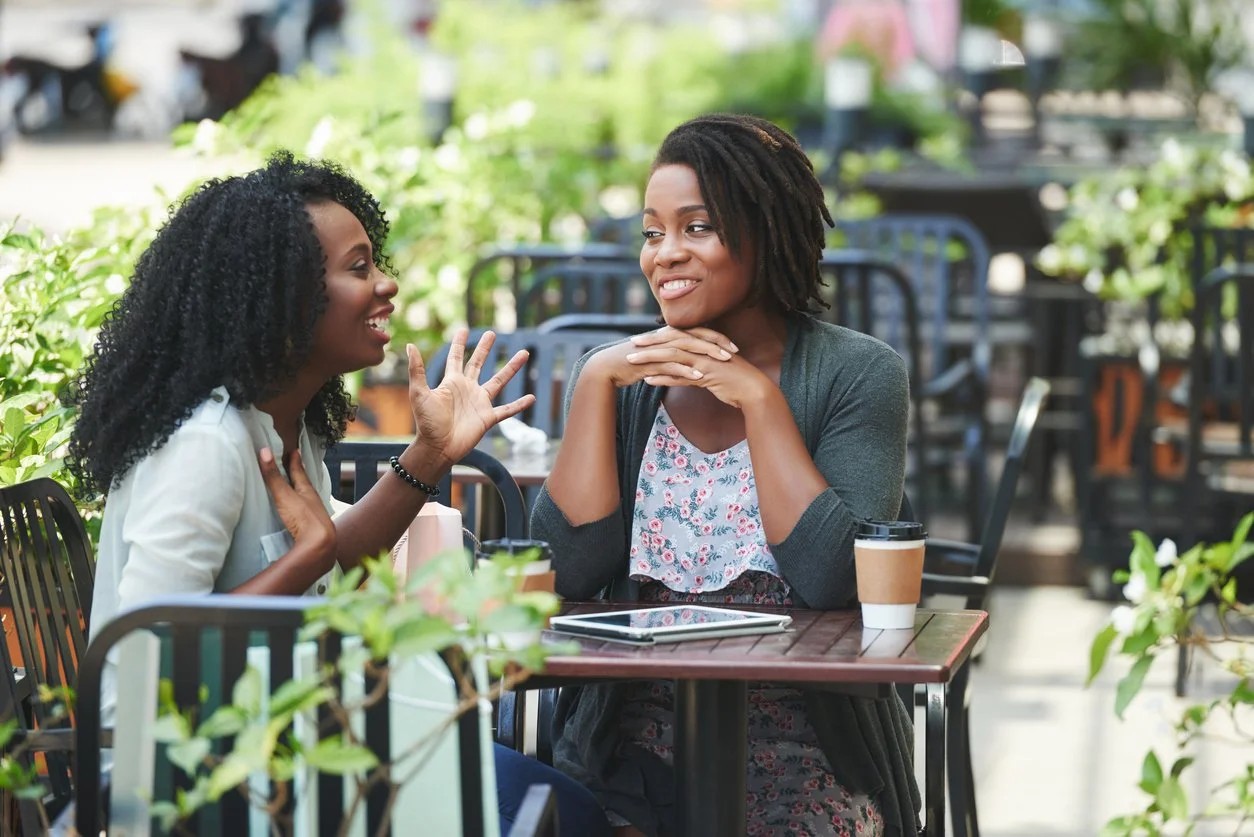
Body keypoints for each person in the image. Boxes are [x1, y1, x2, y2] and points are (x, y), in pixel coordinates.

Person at [68, 152, 611, 836]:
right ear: (282, 296)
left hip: (287, 745)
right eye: (358, 268)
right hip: (187, 783)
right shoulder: (206, 444)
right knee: (556, 814)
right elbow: (144, 670)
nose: (385, 284)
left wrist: (430, 453)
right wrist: (309, 555)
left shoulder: (284, 423)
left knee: (569, 804)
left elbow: (335, 560)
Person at [532, 114, 920, 836]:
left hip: (810, 746)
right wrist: (592, 382)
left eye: (697, 228)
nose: (665, 255)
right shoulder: (630, 382)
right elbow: (571, 568)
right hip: (633, 745)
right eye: (652, 232)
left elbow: (830, 576)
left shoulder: (859, 374)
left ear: (763, 234)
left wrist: (759, 398)